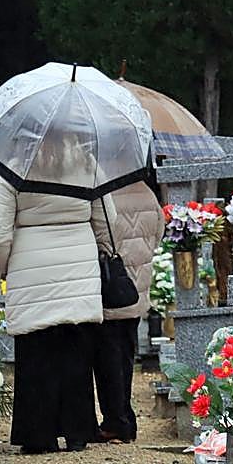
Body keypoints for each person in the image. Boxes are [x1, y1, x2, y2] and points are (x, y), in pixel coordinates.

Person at [0, 162, 110, 454]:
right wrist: (99, 250)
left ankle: (38, 434)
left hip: (31, 263)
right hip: (79, 260)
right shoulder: (88, 164)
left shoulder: (15, 168)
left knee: (35, 352)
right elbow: (107, 220)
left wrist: (4, 267)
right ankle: (77, 431)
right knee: (77, 352)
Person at [92, 179, 163, 442]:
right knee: (125, 355)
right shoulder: (145, 190)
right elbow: (159, 231)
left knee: (107, 358)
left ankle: (116, 420)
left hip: (110, 285)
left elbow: (100, 237)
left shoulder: (101, 192)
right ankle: (126, 419)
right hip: (135, 286)